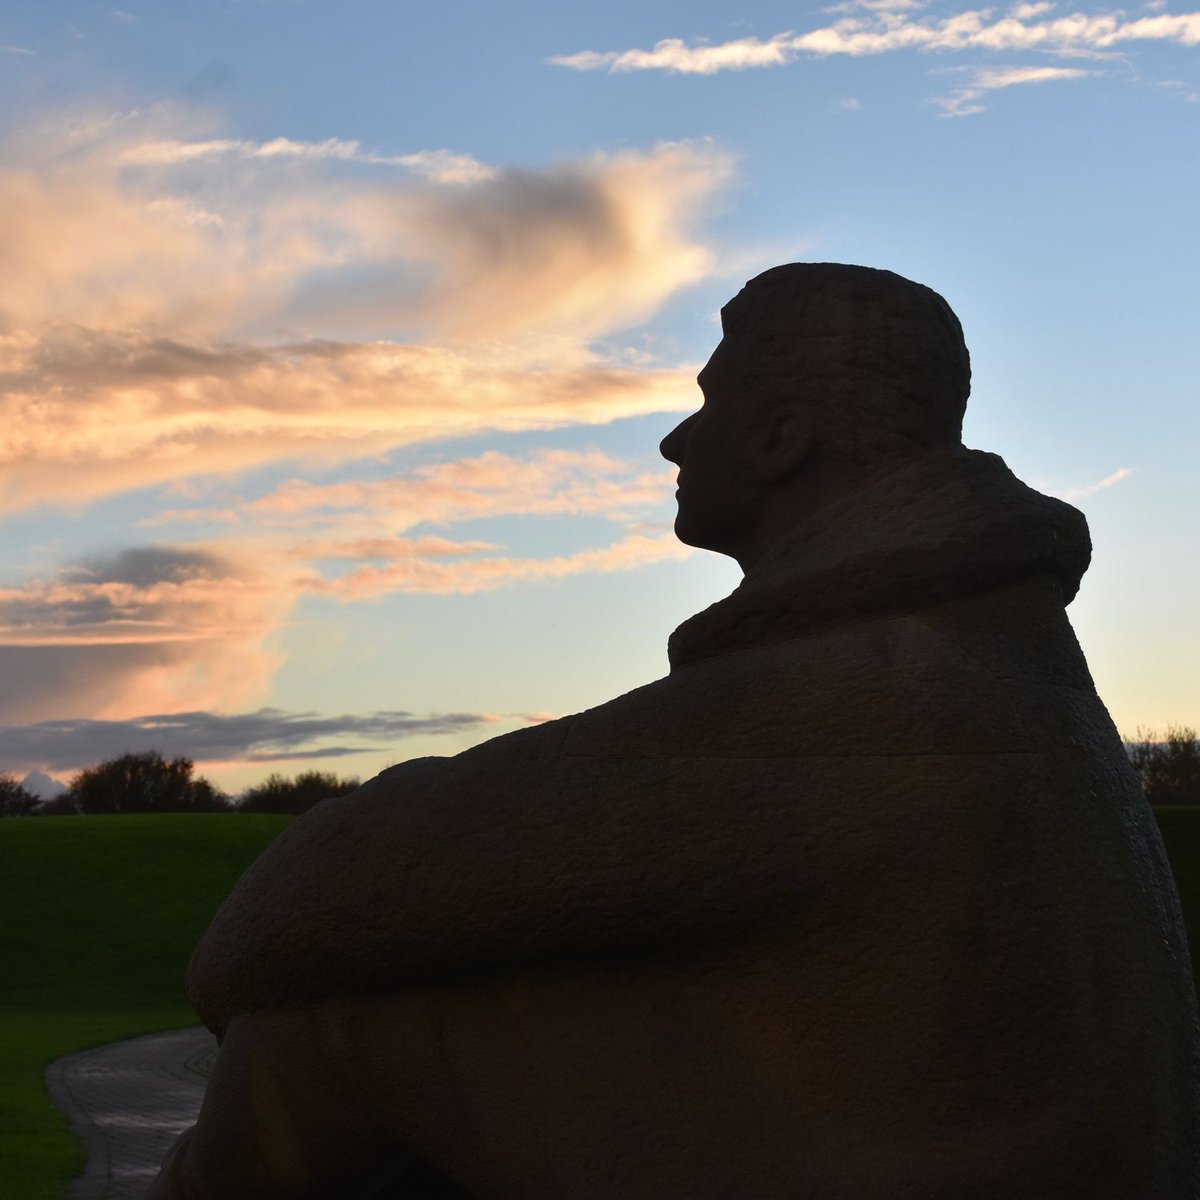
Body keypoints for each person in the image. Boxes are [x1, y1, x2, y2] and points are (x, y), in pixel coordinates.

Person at [151, 264, 1200, 1199]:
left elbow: (311, 905)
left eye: (707, 402)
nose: (674, 440)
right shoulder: (989, 657)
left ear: (782, 437)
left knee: (321, 1038)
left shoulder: (881, 688)